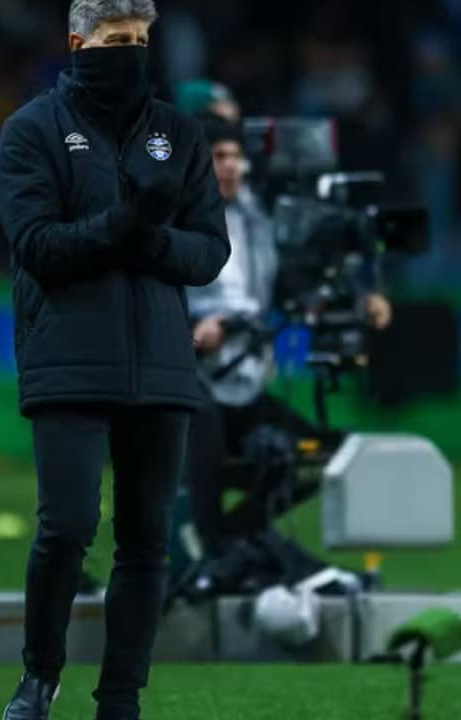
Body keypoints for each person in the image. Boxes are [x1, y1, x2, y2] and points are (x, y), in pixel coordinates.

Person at [0, 1, 230, 718]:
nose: (128, 50)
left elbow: (210, 251)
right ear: (76, 42)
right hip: (67, 357)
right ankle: (39, 677)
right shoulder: (32, 129)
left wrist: (151, 242)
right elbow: (37, 245)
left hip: (161, 367)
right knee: (66, 527)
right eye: (113, 38)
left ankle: (121, 697)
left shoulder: (177, 134)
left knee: (146, 542)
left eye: (138, 39)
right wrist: (127, 223)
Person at [184, 114, 393, 555]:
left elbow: (289, 287)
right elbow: (148, 305)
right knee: (200, 456)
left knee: (323, 456)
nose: (232, 167)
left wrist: (357, 302)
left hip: (247, 385)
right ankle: (207, 545)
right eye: (219, 156)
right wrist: (193, 333)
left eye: (237, 157)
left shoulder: (257, 222)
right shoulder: (172, 224)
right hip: (191, 388)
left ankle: (225, 542)